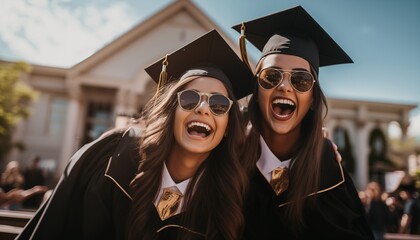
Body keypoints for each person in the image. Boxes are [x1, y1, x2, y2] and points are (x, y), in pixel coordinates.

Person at [16, 29, 255, 240]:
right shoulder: (110, 160)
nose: (203, 108)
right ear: (170, 112)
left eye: (219, 105)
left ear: (227, 128)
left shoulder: (227, 204)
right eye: (190, 99)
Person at [232, 5, 374, 239]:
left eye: (301, 79)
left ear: (312, 98)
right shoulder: (231, 161)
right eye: (271, 76)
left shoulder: (327, 169)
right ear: (256, 90)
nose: (285, 86)